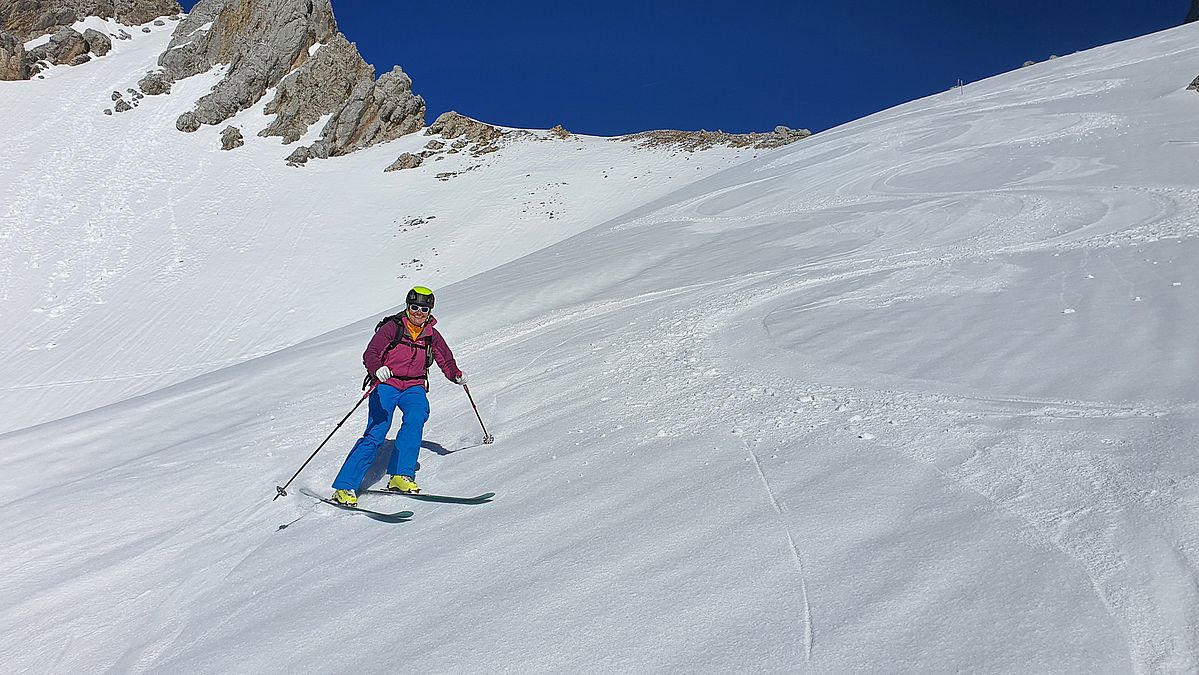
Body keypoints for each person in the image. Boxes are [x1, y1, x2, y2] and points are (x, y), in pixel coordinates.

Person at [331, 286, 465, 505]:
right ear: (407, 307)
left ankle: (401, 476)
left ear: (430, 311)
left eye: (424, 308)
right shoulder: (393, 328)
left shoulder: (431, 334)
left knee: (416, 417)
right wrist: (377, 369)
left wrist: (456, 375)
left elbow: (446, 360)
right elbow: (371, 353)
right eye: (414, 307)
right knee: (377, 431)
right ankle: (345, 486)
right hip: (387, 383)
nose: (418, 313)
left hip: (413, 385)